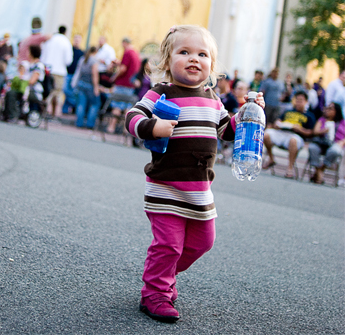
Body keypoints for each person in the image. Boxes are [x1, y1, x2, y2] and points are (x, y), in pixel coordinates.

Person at [124, 25, 264, 323]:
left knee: (203, 242)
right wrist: (152, 126)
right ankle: (155, 293)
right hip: (166, 186)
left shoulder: (213, 98)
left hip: (200, 190)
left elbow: (227, 131)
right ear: (167, 60)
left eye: (202, 54)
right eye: (184, 52)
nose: (193, 59)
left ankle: (162, 276)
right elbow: (132, 117)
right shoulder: (161, 92)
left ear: (212, 66)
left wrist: (247, 114)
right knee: (169, 245)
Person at [263, 90, 316, 179]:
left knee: (293, 140)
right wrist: (277, 124)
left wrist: (300, 129)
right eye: (297, 100)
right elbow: (279, 121)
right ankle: (271, 158)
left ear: (306, 102)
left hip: (296, 136)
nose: (298, 103)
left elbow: (311, 133)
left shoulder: (309, 116)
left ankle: (290, 168)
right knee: (266, 134)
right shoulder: (288, 112)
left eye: (301, 100)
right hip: (282, 132)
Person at [105, 37, 141, 133]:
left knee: (117, 106)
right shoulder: (136, 54)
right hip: (130, 85)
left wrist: (114, 77)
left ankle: (111, 127)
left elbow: (123, 69)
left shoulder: (127, 52)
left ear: (124, 43)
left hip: (122, 84)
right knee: (127, 108)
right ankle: (126, 130)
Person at [307, 103, 344, 184]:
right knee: (312, 147)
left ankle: (320, 170)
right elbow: (315, 132)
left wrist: (342, 142)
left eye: (330, 109)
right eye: (327, 108)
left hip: (335, 143)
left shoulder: (342, 122)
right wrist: (323, 131)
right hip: (321, 142)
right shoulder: (322, 120)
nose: (327, 110)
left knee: (335, 150)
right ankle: (318, 171)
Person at [41, 26, 73, 118]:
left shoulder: (51, 40)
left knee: (46, 91)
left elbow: (43, 55)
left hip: (48, 69)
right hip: (59, 71)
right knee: (56, 93)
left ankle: (43, 110)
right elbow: (68, 60)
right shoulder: (66, 42)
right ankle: (53, 114)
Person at [71, 46, 100, 130]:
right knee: (95, 104)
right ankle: (90, 124)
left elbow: (78, 72)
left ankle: (79, 123)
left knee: (81, 104)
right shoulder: (94, 61)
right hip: (90, 85)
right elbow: (95, 75)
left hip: (81, 83)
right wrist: (96, 87)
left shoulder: (83, 59)